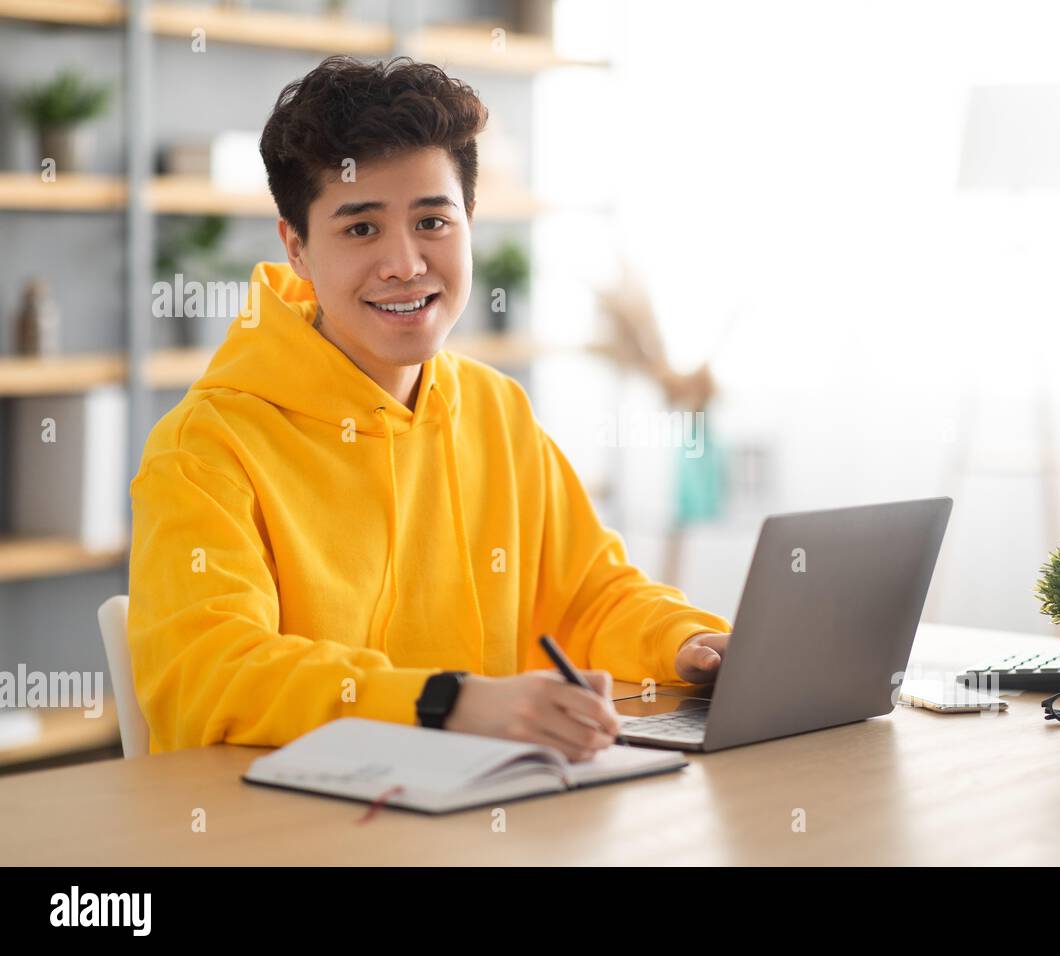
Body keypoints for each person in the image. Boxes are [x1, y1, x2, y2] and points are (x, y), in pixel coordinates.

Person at [127, 55, 732, 761]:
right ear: (296, 247)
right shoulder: (206, 448)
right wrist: (449, 702)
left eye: (433, 221)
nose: (406, 263)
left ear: (470, 221)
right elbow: (214, 674)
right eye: (361, 229)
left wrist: (687, 642)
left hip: (486, 818)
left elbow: (589, 598)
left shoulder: (495, 409)